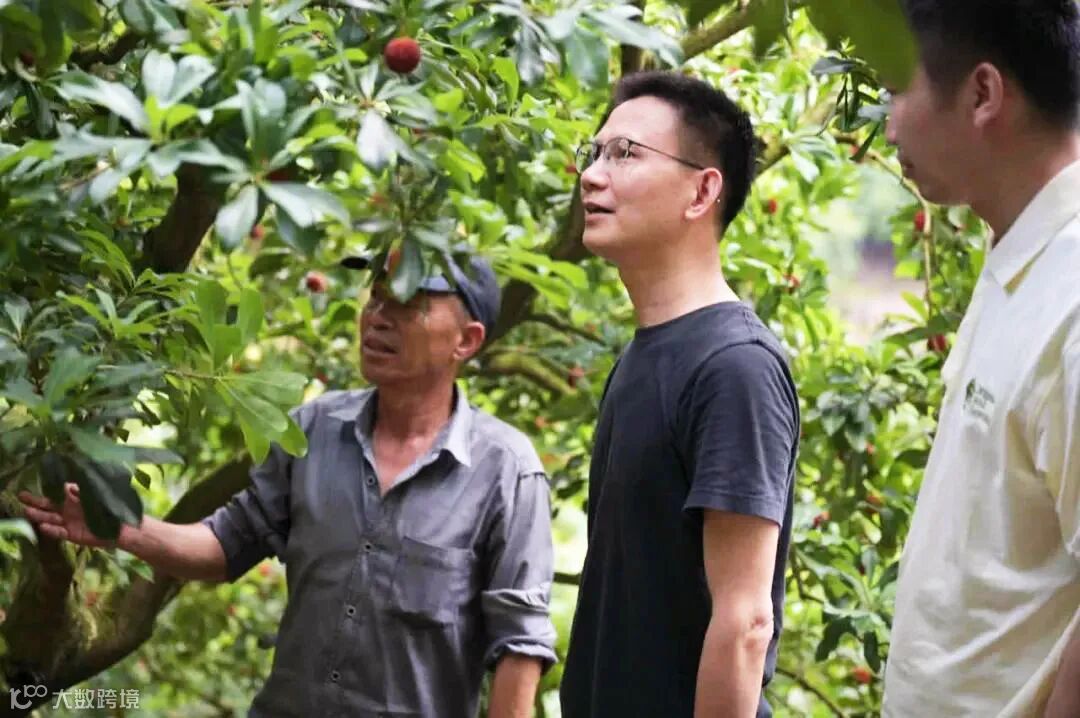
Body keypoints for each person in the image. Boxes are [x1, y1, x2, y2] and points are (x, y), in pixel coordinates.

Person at [19, 254, 557, 718]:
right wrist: (120, 526)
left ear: (467, 340)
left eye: (408, 303)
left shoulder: (505, 470)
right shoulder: (314, 430)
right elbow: (226, 544)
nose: (377, 316)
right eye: (375, 296)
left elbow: (520, 646)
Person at [559, 71, 800, 718]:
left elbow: (745, 624)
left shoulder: (734, 367)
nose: (592, 176)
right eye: (594, 153)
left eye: (625, 154)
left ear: (702, 191)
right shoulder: (644, 356)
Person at [880, 2, 1080, 716]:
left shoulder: (1072, 295)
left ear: (984, 93)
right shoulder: (1019, 252)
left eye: (895, 90)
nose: (888, 125)